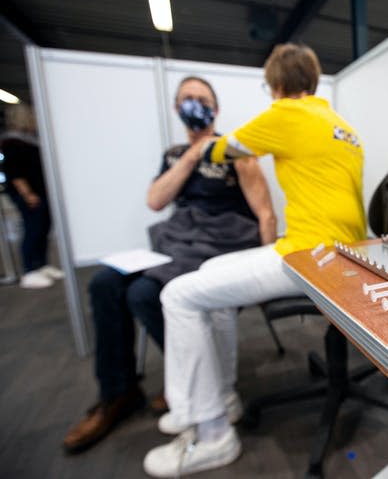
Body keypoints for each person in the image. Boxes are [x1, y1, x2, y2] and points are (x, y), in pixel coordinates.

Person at [143, 44, 366, 477]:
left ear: (277, 86)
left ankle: (211, 435)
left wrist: (201, 144)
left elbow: (220, 151)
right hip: (341, 253)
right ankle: (221, 396)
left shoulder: (286, 114)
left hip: (310, 256)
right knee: (210, 278)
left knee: (177, 295)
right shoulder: (344, 127)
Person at [62, 76, 277, 454]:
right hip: (177, 243)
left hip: (219, 245)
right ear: (177, 108)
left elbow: (264, 213)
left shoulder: (236, 151)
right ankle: (118, 392)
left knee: (144, 294)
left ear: (216, 108)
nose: (195, 105)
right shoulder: (175, 154)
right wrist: (192, 155)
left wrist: (265, 275)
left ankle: (196, 383)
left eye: (202, 99)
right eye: (187, 99)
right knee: (103, 285)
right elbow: (156, 200)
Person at [1, 103, 64, 288]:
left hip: (41, 192)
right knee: (32, 229)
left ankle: (42, 264)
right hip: (30, 194)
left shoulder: (31, 140)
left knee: (43, 228)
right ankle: (29, 270)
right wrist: (27, 194)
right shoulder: (13, 143)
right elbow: (15, 173)